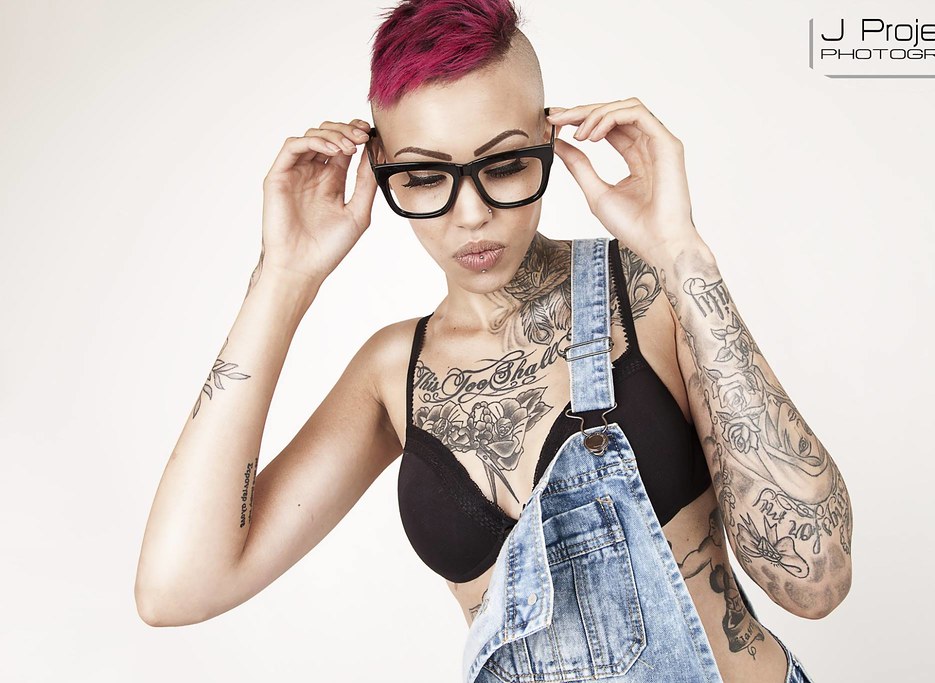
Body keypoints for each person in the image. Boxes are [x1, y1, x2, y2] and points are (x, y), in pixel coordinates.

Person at [135, 1, 852, 681]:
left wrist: (683, 254)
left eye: (504, 165)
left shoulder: (649, 295)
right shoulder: (392, 375)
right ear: (380, 166)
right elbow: (177, 589)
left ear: (547, 140)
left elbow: (816, 579)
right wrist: (283, 277)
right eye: (424, 176)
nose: (472, 214)